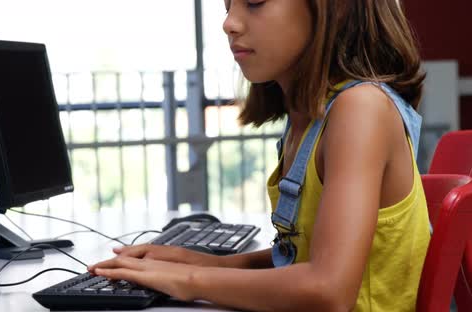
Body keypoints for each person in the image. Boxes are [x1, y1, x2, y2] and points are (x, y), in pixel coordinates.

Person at [88, 0, 430, 310]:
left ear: (334, 8)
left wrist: (187, 281)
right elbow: (303, 257)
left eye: (254, 2)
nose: (229, 24)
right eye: (227, 6)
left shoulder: (360, 110)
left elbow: (328, 290)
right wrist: (198, 262)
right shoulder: (310, 120)